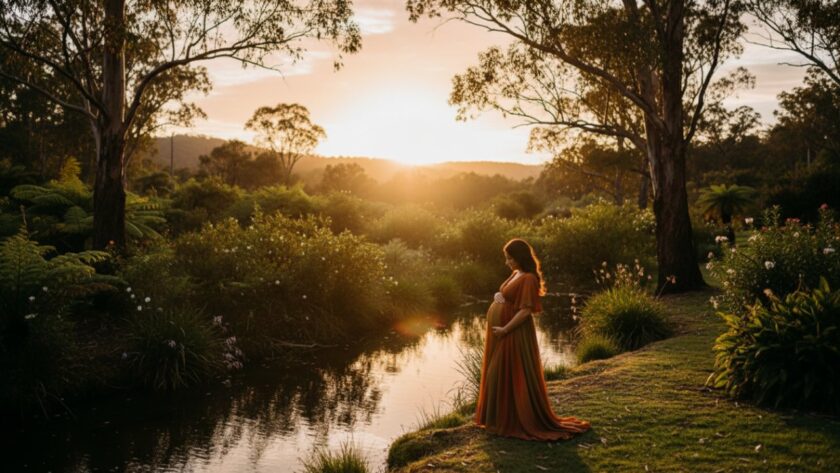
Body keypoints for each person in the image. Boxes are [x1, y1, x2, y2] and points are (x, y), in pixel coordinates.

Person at [474, 238, 591, 440]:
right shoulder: (516, 273)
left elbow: (526, 311)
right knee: (502, 372)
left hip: (514, 332)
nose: (507, 262)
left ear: (519, 257)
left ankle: (514, 420)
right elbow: (508, 295)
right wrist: (498, 296)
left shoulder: (528, 278)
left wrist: (505, 329)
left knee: (506, 372)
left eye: (510, 258)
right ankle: (500, 419)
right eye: (506, 258)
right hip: (504, 331)